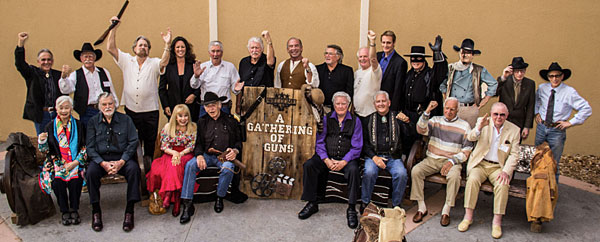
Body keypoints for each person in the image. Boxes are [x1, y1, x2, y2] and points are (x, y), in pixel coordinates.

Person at [106, 16, 171, 159]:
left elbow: (164, 61)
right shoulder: (126, 60)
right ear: (134, 48)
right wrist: (113, 28)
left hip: (150, 112)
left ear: (148, 50)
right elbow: (110, 48)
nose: (143, 47)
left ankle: (148, 175)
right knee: (132, 143)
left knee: (149, 145)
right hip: (131, 111)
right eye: (140, 45)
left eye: (146, 45)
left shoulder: (154, 63)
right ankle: (135, 173)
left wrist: (167, 44)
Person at [298, 91, 362, 229]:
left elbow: (357, 146)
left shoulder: (356, 121)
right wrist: (326, 159)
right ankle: (312, 203)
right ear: (333, 105)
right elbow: (320, 142)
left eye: (343, 103)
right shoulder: (326, 119)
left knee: (354, 171)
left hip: (347, 159)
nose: (340, 106)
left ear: (348, 105)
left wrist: (344, 161)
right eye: (337, 103)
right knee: (309, 165)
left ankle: (351, 208)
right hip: (328, 156)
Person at [458, 102, 520, 239]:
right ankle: (468, 217)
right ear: (491, 114)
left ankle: (496, 222)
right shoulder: (482, 122)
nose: (499, 117)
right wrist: (479, 128)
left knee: (503, 184)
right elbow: (470, 137)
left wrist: (506, 172)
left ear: (507, 116)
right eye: (496, 114)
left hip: (498, 167)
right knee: (472, 180)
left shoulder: (514, 130)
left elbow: (514, 155)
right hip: (480, 164)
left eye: (502, 115)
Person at [179, 92, 243, 224]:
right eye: (207, 106)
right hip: (207, 156)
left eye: (213, 105)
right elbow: (198, 144)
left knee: (228, 168)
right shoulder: (202, 122)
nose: (211, 109)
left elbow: (238, 142)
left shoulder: (231, 121)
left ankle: (219, 197)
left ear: (219, 105)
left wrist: (235, 151)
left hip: (223, 157)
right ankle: (187, 204)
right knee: (190, 165)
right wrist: (199, 155)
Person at [410, 98, 473, 226]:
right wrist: (427, 111)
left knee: (454, 177)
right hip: (433, 158)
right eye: (447, 108)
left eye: (452, 109)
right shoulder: (435, 121)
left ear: (457, 110)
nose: (449, 112)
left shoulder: (464, 126)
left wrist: (452, 161)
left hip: (452, 161)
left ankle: (446, 210)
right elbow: (420, 129)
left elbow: (467, 150)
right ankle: (421, 207)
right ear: (444, 108)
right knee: (416, 171)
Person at [86, 92, 140, 232]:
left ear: (115, 104)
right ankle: (96, 212)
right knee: (90, 172)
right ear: (99, 106)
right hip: (101, 159)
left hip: (122, 158)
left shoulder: (126, 120)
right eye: (104, 104)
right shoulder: (92, 122)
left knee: (134, 170)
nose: (108, 106)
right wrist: (102, 163)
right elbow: (90, 148)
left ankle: (129, 212)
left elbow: (133, 142)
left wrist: (121, 161)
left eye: (110, 103)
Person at [534, 62, 592, 181]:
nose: (554, 79)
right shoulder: (542, 88)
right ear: (548, 77)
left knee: (554, 161)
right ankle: (536, 187)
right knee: (537, 157)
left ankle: (552, 191)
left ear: (562, 76)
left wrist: (571, 122)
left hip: (557, 130)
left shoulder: (569, 92)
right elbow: (536, 101)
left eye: (557, 76)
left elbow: (586, 108)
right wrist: (537, 112)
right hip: (542, 127)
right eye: (551, 76)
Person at [37, 96, 86, 226]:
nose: (64, 110)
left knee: (76, 179)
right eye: (61, 108)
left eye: (67, 107)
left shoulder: (79, 125)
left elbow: (84, 146)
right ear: (56, 109)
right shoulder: (49, 126)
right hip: (56, 162)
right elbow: (45, 150)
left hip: (75, 161)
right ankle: (64, 211)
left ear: (71, 109)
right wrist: (42, 140)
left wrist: (75, 162)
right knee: (58, 181)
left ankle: (74, 209)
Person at [361, 91, 412, 211]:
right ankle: (365, 202)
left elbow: (409, 136)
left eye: (383, 101)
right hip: (374, 156)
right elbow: (365, 144)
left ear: (389, 103)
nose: (381, 104)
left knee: (401, 174)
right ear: (374, 104)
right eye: (378, 101)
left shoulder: (398, 118)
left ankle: (396, 205)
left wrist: (407, 122)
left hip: (393, 157)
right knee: (369, 172)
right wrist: (374, 158)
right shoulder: (368, 120)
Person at [146, 104, 196, 217]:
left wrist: (180, 154)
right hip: (170, 153)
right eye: (180, 116)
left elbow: (192, 146)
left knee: (176, 165)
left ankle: (170, 195)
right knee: (171, 165)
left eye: (186, 116)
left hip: (186, 153)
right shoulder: (168, 127)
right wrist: (174, 153)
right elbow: (164, 146)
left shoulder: (193, 127)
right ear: (175, 117)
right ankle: (175, 198)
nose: (183, 119)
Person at [401, 36, 449, 155]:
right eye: (413, 59)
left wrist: (437, 53)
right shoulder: (409, 74)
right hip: (408, 115)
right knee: (406, 143)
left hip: (423, 115)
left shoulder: (430, 74)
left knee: (420, 146)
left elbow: (441, 73)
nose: (415, 62)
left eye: (419, 59)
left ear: (423, 60)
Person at [440, 38, 497, 128]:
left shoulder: (479, 70)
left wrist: (482, 102)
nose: (465, 55)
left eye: (468, 53)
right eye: (463, 52)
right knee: (450, 135)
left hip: (469, 109)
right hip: (452, 109)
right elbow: (442, 83)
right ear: (459, 53)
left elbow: (493, 84)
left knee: (468, 137)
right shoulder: (451, 68)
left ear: (472, 55)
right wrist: (446, 98)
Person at [59, 43, 118, 128]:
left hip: (105, 109)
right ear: (81, 59)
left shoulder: (104, 72)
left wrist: (114, 106)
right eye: (85, 57)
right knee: (89, 135)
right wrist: (64, 77)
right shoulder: (76, 74)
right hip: (87, 111)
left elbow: (111, 90)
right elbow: (66, 90)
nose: (88, 59)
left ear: (94, 58)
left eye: (90, 56)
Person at [14, 32, 62, 134]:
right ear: (38, 61)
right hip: (42, 115)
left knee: (59, 141)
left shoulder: (58, 75)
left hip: (57, 114)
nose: (46, 62)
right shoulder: (32, 73)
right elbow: (20, 63)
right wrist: (21, 43)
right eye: (43, 60)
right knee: (44, 142)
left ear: (52, 61)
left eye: (49, 59)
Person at [190, 41, 244, 118]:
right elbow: (194, 86)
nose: (215, 54)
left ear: (222, 52)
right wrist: (196, 76)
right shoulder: (203, 67)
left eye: (218, 51)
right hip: (206, 108)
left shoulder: (230, 67)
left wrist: (236, 89)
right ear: (209, 52)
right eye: (213, 51)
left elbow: (235, 89)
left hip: (223, 107)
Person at [158, 36, 200, 122]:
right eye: (177, 47)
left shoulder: (193, 64)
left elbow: (200, 84)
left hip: (191, 107)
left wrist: (194, 95)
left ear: (186, 49)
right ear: (173, 49)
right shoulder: (168, 66)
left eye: (182, 47)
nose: (180, 49)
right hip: (173, 107)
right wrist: (166, 106)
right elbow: (162, 89)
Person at [496, 57, 536, 141]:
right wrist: (503, 77)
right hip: (504, 120)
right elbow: (494, 93)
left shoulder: (530, 84)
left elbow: (530, 106)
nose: (520, 74)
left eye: (522, 71)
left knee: (515, 146)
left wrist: (526, 126)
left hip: (519, 122)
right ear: (512, 71)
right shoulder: (505, 81)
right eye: (517, 71)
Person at [236, 31, 276, 114]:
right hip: (247, 103)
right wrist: (238, 105)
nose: (254, 50)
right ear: (248, 49)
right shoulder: (243, 62)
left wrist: (268, 41)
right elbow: (240, 84)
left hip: (264, 103)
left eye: (257, 48)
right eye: (252, 48)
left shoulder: (267, 60)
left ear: (262, 49)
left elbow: (271, 62)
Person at [354, 30, 382, 130]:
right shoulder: (357, 73)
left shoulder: (375, 71)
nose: (363, 59)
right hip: (357, 115)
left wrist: (372, 42)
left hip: (370, 115)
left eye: (365, 56)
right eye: (360, 57)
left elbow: (373, 59)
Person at [377, 30, 407, 111]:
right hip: (375, 102)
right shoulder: (377, 56)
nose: (385, 45)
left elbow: (398, 88)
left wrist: (393, 109)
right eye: (383, 42)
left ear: (394, 43)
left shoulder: (400, 62)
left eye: (388, 43)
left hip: (389, 105)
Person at [316, 44, 354, 110]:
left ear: (338, 56)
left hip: (339, 109)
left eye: (330, 54)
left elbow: (349, 91)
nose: (327, 56)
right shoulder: (318, 69)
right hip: (321, 108)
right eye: (326, 53)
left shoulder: (346, 71)